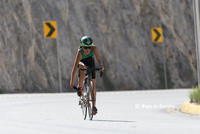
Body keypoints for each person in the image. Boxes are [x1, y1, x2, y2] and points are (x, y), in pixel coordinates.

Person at [70, 36, 104, 115]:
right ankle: (80, 86)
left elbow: (98, 59)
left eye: (89, 47)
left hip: (90, 62)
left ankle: (94, 107)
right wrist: (71, 81)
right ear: (82, 46)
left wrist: (101, 65)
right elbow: (75, 67)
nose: (87, 49)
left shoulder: (94, 49)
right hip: (81, 63)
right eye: (85, 48)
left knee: (93, 86)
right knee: (83, 68)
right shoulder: (80, 52)